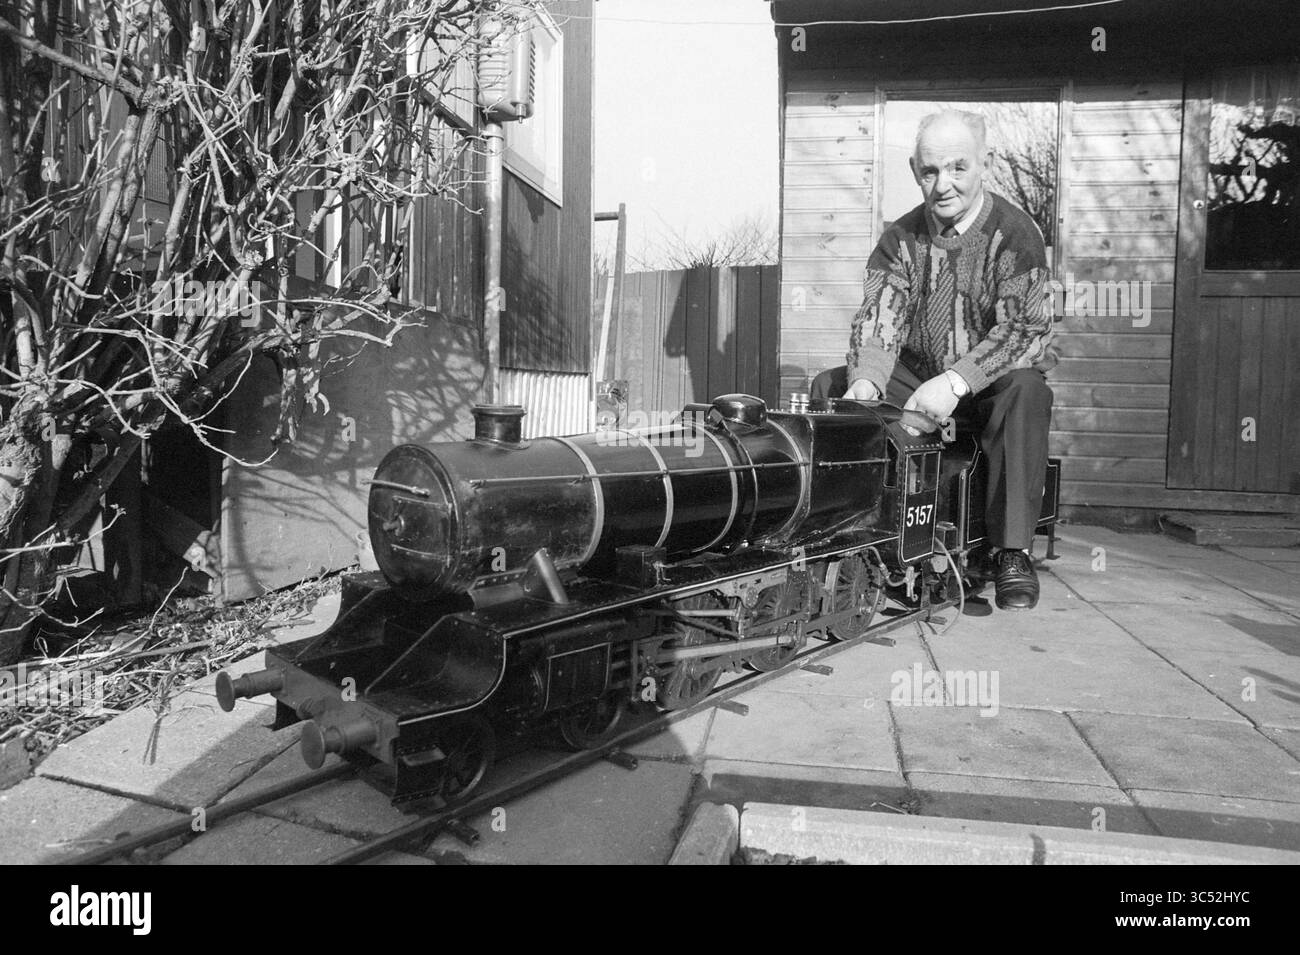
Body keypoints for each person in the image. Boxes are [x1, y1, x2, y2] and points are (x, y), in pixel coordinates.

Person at [837, 109, 1055, 610]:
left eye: (958, 168)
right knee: (837, 390)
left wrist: (957, 381)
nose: (943, 185)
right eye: (931, 171)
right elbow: (878, 319)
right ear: (915, 170)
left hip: (987, 387)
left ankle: (1011, 552)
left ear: (986, 164)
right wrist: (867, 381)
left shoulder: (1016, 233)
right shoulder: (899, 238)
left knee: (1027, 389)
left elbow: (1025, 329)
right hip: (917, 380)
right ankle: (853, 527)